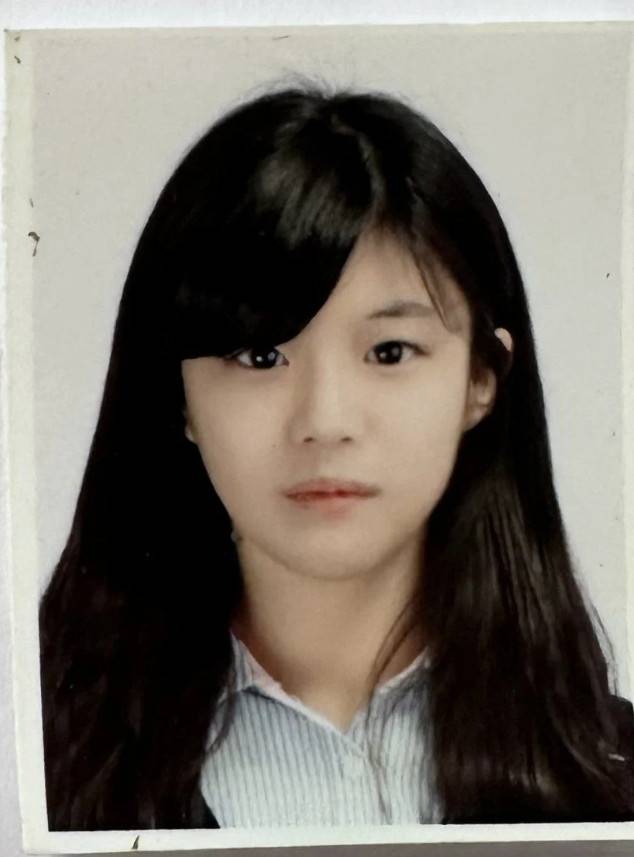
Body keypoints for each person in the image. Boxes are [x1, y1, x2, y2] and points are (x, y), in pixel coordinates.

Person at [39, 82, 634, 831]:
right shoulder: (42, 761)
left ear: (481, 379)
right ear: (178, 395)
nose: (324, 421)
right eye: (261, 355)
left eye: (390, 351)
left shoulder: (611, 771)